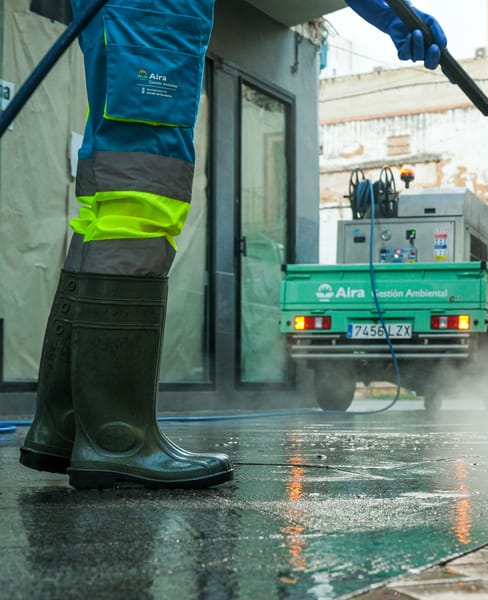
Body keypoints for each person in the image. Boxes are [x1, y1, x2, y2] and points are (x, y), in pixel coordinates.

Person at [19, 0, 448, 489]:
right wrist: (395, 15)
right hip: (155, 15)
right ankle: (118, 439)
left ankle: (65, 424)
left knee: (107, 205)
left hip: (130, 16)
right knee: (144, 197)